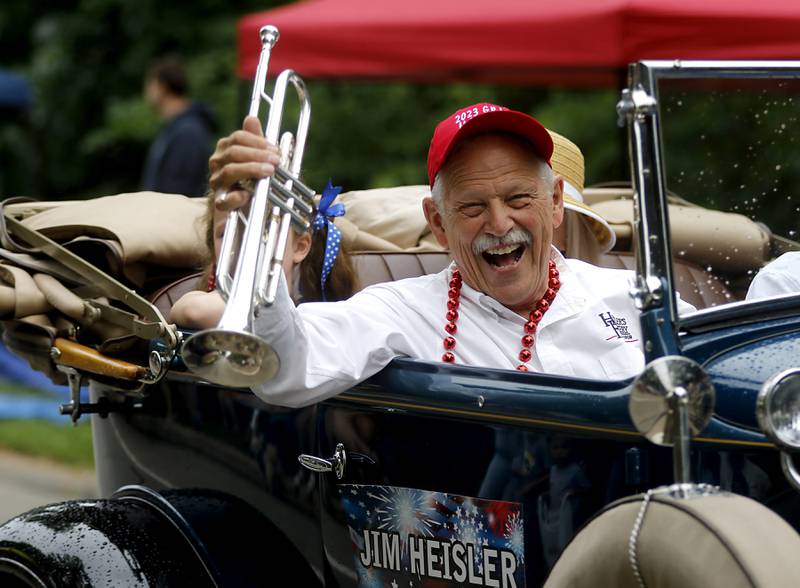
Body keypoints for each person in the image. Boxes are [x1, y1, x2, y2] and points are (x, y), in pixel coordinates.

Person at [212, 102, 694, 408]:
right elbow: (283, 369)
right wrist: (253, 234)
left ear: (554, 204)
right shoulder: (401, 310)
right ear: (438, 223)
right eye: (472, 207)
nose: (500, 225)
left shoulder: (633, 296)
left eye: (519, 200)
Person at [169, 180, 358, 329]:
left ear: (300, 247)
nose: (243, 243)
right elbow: (192, 310)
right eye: (225, 233)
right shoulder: (206, 301)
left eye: (260, 231)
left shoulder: (320, 316)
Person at [141, 56, 217, 197]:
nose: (146, 90)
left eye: (150, 83)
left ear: (162, 86)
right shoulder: (176, 130)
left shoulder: (188, 133)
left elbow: (177, 192)